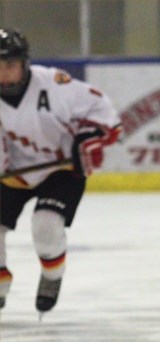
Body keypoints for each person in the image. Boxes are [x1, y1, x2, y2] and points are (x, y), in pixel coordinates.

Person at [0, 28, 121, 313]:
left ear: (24, 63)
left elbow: (105, 115)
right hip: (14, 172)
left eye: (10, 65)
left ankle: (52, 276)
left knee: (45, 226)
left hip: (61, 169)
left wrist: (86, 140)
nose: (4, 74)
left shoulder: (54, 84)